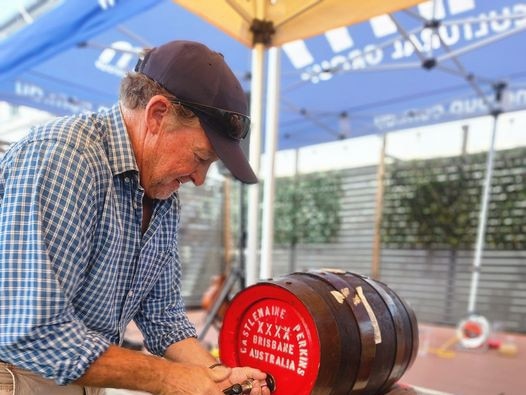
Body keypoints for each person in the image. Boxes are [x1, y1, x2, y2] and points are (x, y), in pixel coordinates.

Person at [0, 40, 269, 395]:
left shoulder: (161, 188)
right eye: (200, 157)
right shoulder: (67, 158)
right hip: (16, 375)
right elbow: (32, 333)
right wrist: (172, 379)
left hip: (84, 376)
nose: (200, 179)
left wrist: (219, 377)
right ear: (158, 114)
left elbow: (163, 316)